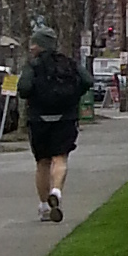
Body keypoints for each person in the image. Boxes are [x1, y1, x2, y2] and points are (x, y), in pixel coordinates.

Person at [21, 20, 83, 224]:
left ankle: (44, 206)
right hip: (65, 118)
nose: (31, 47)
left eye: (34, 43)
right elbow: (87, 81)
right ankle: (56, 190)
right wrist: (73, 96)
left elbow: (23, 89)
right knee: (60, 157)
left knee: (42, 162)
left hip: (39, 120)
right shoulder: (68, 63)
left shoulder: (32, 66)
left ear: (41, 45)